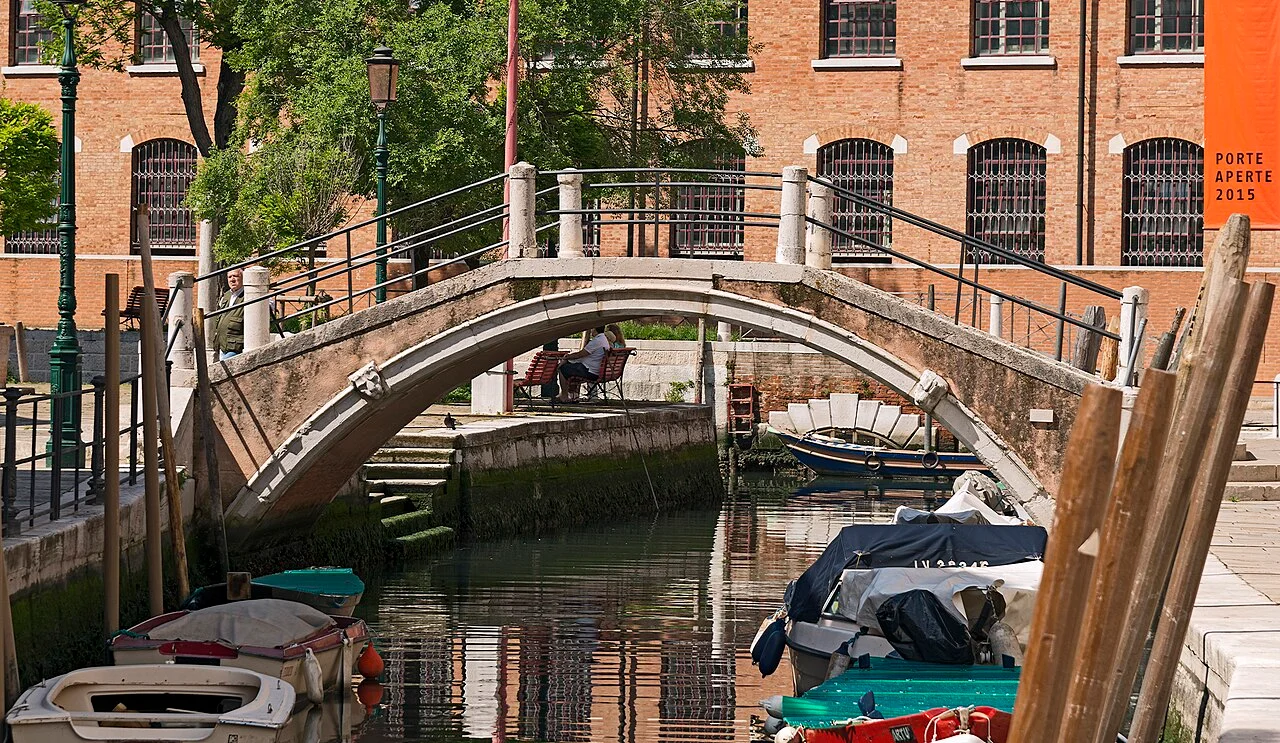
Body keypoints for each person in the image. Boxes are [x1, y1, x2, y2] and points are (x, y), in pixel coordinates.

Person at [557, 327, 610, 402]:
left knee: (563, 369)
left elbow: (581, 354)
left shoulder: (597, 341)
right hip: (599, 371)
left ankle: (564, 395)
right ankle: (571, 395)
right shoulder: (604, 340)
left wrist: (567, 357)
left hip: (591, 372)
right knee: (571, 366)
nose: (591, 331)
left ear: (595, 329)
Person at [211, 268, 245, 361]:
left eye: (236, 276)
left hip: (236, 348)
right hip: (223, 346)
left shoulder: (248, 295)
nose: (232, 279)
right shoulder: (226, 295)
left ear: (243, 278)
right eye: (230, 277)